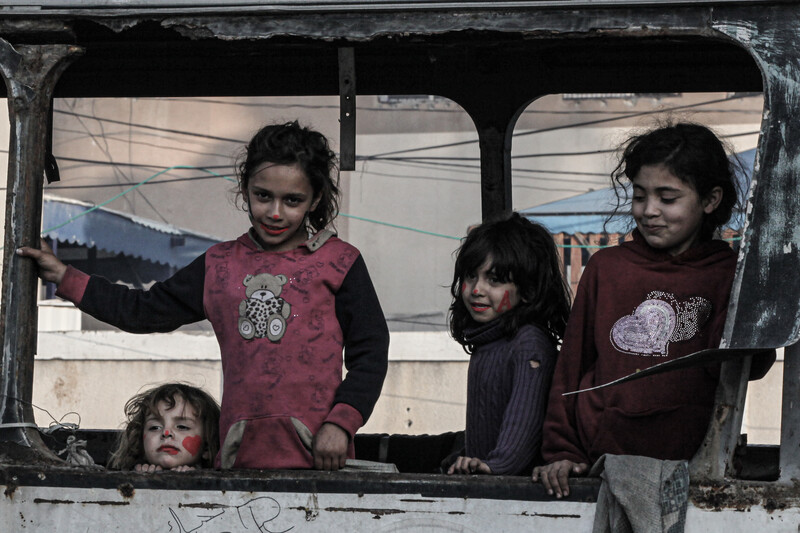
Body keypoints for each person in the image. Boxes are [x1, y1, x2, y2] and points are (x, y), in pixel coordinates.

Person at [18, 121, 390, 471]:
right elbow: (143, 311)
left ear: (315, 198)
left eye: (292, 200)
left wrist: (341, 424)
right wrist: (64, 277)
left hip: (319, 459)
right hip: (234, 461)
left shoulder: (339, 262)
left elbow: (371, 350)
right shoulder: (220, 265)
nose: (275, 212)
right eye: (263, 196)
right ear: (245, 189)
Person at [532, 122, 772, 497]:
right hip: (599, 461)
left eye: (667, 198)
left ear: (709, 200)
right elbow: (571, 369)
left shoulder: (727, 276)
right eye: (640, 196)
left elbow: (751, 365)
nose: (649, 211)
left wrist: (751, 289)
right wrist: (562, 451)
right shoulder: (607, 268)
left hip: (686, 467)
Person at [444, 213, 571, 476]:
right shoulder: (489, 341)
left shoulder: (528, 344)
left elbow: (522, 428)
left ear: (528, 290)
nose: (476, 289)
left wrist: (493, 466)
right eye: (471, 276)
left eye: (495, 280)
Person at [107, 382, 220, 472]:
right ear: (140, 441)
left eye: (181, 427)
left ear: (206, 446)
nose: (166, 433)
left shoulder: (218, 487)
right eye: (155, 427)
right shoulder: (129, 476)